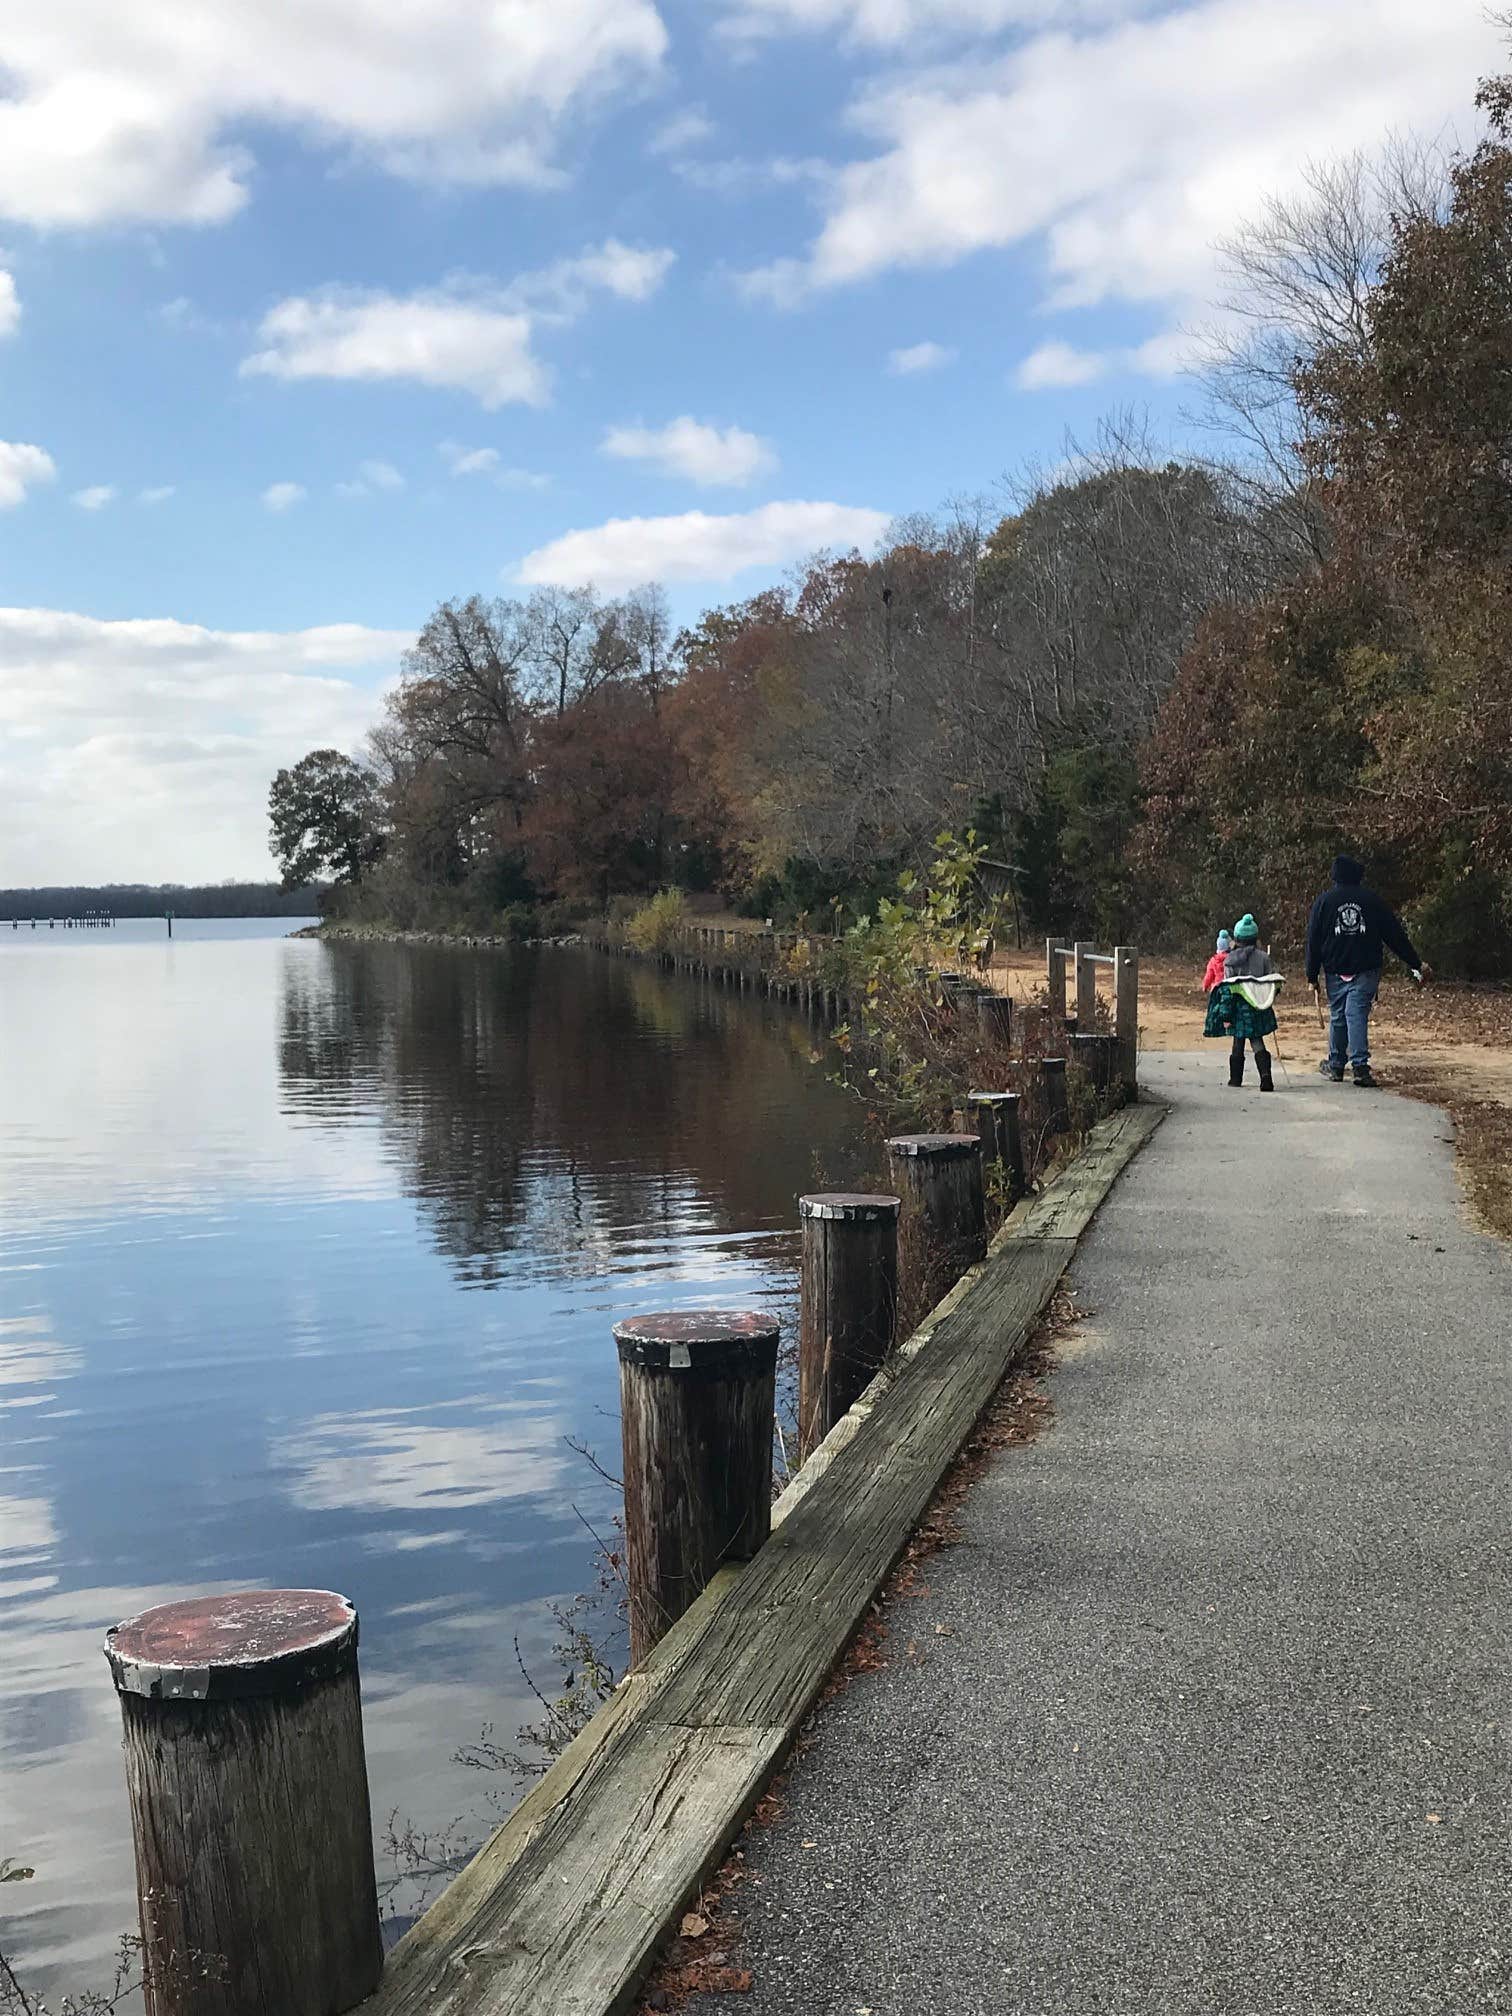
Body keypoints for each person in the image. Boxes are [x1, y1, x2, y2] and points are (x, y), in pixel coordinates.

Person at [1304, 855, 1429, 1088]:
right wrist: (1415, 962)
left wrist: (1311, 974)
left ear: (1335, 876)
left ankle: (1337, 1064)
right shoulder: (1372, 901)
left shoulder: (1324, 902)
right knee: (1356, 1014)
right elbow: (1394, 935)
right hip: (1366, 968)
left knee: (1339, 1016)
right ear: (1358, 876)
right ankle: (1360, 1067)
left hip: (1334, 969)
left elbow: (1313, 940)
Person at [1204, 914, 1279, 1090]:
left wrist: (1225, 1014)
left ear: (1236, 939)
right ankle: (1266, 1078)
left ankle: (1235, 1079)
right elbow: (1271, 983)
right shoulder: (1264, 958)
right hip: (1258, 1006)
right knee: (1257, 1041)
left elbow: (1229, 990)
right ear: (1255, 938)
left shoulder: (1230, 961)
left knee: (1238, 1042)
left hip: (1238, 1010)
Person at [1201, 929, 1233, 995]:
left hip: (1217, 989)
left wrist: (1205, 986)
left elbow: (1209, 975)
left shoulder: (1213, 960)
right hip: (1230, 988)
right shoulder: (1233, 958)